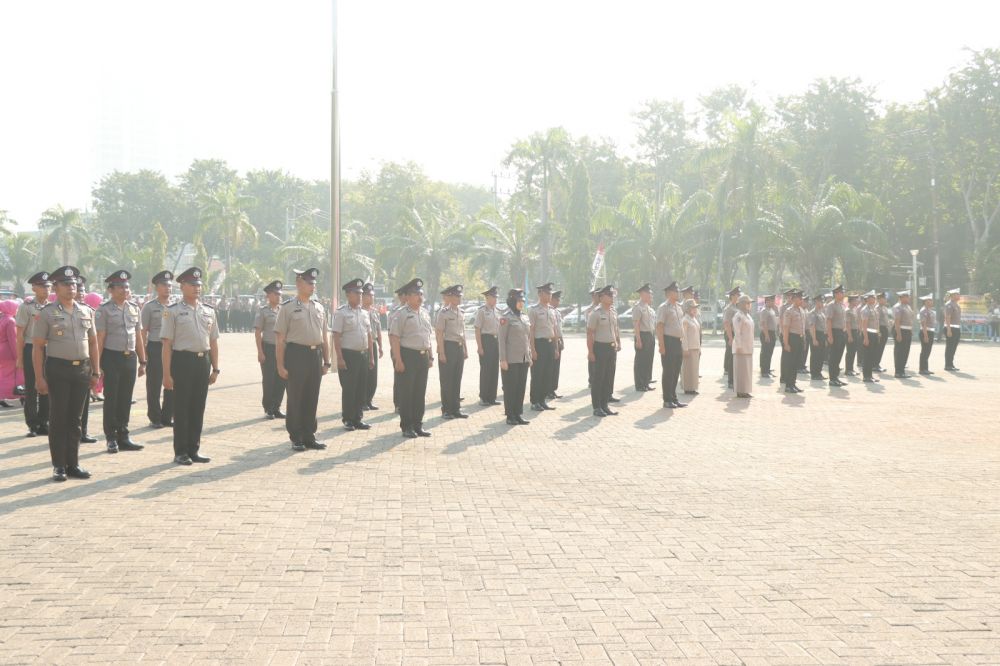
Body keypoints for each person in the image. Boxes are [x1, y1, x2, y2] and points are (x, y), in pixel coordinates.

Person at [32, 266, 98, 482]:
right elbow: (38, 346)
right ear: (56, 288)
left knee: (75, 419)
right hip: (58, 369)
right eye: (66, 284)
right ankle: (59, 465)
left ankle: (73, 463)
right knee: (58, 418)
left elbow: (94, 342)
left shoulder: (86, 311)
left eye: (74, 284)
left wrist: (96, 371)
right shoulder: (47, 313)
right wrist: (39, 378)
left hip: (82, 369)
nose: (71, 288)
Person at [161, 267, 220, 465]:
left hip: (202, 362)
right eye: (192, 284)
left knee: (197, 408)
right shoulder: (173, 311)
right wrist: (167, 374)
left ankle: (194, 449)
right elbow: (167, 345)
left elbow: (213, 342)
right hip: (182, 361)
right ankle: (181, 451)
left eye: (199, 285)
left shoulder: (208, 311)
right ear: (182, 286)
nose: (197, 288)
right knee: (182, 408)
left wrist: (215, 368)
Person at [275, 268, 330, 452]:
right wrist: (280, 365)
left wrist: (327, 361)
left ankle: (309, 435)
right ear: (299, 284)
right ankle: (296, 436)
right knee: (296, 397)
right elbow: (280, 339)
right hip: (296, 354)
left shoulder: (319, 307)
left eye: (314, 283)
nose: (313, 286)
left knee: (311, 396)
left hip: (315, 355)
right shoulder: (288, 307)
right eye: (309, 283)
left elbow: (324, 336)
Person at [95, 270, 146, 454]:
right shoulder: (104, 310)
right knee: (112, 399)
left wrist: (143, 360)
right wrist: (97, 364)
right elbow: (100, 338)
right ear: (111, 289)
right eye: (121, 287)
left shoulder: (133, 308)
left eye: (127, 286)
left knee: (125, 399)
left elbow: (138, 335)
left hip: (129, 357)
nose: (125, 290)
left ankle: (123, 436)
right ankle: (111, 437)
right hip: (111, 357)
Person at [389, 278, 434, 438]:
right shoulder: (401, 314)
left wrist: (430, 356)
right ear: (407, 297)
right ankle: (407, 426)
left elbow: (428, 336)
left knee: (419, 392)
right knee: (406, 393)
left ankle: (418, 425)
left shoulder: (425, 313)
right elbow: (395, 337)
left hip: (422, 356)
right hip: (407, 356)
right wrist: (398, 360)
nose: (420, 297)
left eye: (421, 294)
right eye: (416, 294)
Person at [333, 278, 374, 431]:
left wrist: (370, 357)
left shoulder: (364, 313)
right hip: (348, 355)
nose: (360, 296)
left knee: (361, 388)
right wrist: (340, 358)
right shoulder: (341, 313)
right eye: (357, 293)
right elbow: (336, 336)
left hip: (363, 355)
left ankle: (358, 418)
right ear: (348, 294)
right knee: (349, 389)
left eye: (361, 293)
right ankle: (348, 419)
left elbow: (369, 335)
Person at [15, 272, 51, 437]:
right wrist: (20, 357)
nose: (46, 289)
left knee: (47, 386)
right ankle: (33, 424)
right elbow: (20, 333)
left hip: (49, 350)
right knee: (31, 387)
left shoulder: (53, 307)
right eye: (43, 286)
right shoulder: (27, 306)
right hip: (30, 348)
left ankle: (44, 421)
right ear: (34, 288)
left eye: (49, 286)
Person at [498, 288, 531, 426]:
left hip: (523, 358)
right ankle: (510, 415)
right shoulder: (506, 318)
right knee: (510, 388)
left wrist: (528, 356)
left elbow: (527, 338)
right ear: (512, 301)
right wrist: (503, 359)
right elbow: (501, 340)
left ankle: (518, 414)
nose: (521, 303)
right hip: (510, 360)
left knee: (520, 387)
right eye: (518, 301)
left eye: (522, 301)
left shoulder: (524, 317)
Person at [435, 284, 468, 419]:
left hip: (459, 347)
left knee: (456, 379)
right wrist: (441, 352)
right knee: (447, 380)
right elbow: (439, 333)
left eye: (460, 296)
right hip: (448, 347)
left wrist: (465, 349)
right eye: (456, 296)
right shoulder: (443, 313)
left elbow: (463, 332)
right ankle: (447, 410)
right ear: (450, 297)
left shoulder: (461, 312)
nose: (459, 298)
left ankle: (456, 409)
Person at [255, 280, 286, 419]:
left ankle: (277, 407)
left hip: (282, 349)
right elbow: (258, 332)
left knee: (281, 379)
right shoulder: (263, 311)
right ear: (268, 295)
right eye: (275, 294)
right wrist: (260, 352)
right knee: (269, 380)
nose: (278, 296)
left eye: (280, 294)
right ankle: (268, 408)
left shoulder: (284, 311)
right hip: (268, 348)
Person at [587, 285, 619, 417]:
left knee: (608, 377)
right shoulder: (595, 313)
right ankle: (597, 407)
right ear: (601, 297)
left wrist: (617, 342)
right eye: (609, 295)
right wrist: (590, 352)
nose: (612, 298)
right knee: (598, 378)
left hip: (611, 348)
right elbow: (590, 333)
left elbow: (615, 329)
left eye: (612, 295)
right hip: (600, 348)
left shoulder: (612, 312)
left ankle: (605, 405)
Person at [528, 283, 558, 411]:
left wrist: (556, 348)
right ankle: (535, 401)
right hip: (539, 344)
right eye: (548, 293)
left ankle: (542, 400)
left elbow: (555, 329)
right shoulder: (534, 310)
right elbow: (531, 331)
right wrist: (533, 349)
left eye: (551, 293)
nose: (550, 295)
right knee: (537, 374)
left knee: (547, 374)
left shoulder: (552, 310)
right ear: (540, 294)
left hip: (550, 344)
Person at [656, 281, 686, 408]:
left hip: (678, 341)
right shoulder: (664, 307)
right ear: (669, 293)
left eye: (678, 291)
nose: (678, 293)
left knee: (675, 371)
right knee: (668, 371)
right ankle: (667, 399)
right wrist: (661, 345)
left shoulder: (678, 307)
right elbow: (660, 327)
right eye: (675, 291)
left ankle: (674, 397)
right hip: (668, 342)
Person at [473, 286, 501, 406]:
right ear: (487, 298)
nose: (495, 299)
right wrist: (480, 347)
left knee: (494, 370)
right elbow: (477, 329)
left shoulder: (497, 311)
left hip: (496, 341)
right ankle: (484, 397)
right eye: (493, 297)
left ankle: (492, 397)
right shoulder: (482, 311)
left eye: (496, 297)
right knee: (486, 369)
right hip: (486, 340)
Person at [632, 284, 656, 391]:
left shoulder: (649, 308)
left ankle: (646, 382)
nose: (651, 296)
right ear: (642, 294)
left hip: (650, 335)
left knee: (648, 360)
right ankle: (639, 384)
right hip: (642, 335)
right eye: (649, 294)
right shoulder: (638, 307)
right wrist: (638, 339)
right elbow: (636, 324)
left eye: (651, 294)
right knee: (640, 361)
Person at [362, 282, 383, 410]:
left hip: (373, 344)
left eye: (372, 295)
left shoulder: (374, 312)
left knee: (373, 374)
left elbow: (379, 330)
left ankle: (369, 399)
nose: (371, 298)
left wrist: (380, 346)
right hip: (364, 345)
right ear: (363, 296)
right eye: (369, 295)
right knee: (364, 374)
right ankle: (362, 401)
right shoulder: (360, 311)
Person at [0, 299, 24, 407]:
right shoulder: (10, 321)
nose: (17, 310)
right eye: (16, 307)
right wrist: (19, 355)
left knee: (3, 375)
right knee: (13, 376)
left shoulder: (2, 319)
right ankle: (20, 395)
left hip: (2, 350)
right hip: (9, 352)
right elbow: (13, 340)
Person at [780, 289, 804, 393]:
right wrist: (786, 343)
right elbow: (786, 327)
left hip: (800, 338)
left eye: (801, 298)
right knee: (790, 362)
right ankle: (788, 385)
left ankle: (793, 384)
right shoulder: (789, 311)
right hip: (792, 338)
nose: (801, 300)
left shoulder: (801, 310)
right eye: (799, 298)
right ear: (794, 299)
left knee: (796, 363)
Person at [732, 294, 755, 398]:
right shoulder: (738, 316)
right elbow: (737, 332)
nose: (749, 305)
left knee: (747, 370)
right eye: (747, 303)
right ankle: (740, 391)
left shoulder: (748, 316)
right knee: (741, 370)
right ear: (741, 304)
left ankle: (745, 390)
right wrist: (739, 346)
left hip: (748, 347)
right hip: (741, 348)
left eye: (750, 303)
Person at [824, 285, 848, 386]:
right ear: (836, 294)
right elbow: (828, 321)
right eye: (841, 293)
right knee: (833, 356)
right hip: (834, 332)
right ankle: (832, 379)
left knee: (839, 355)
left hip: (842, 333)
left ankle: (836, 377)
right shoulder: (831, 305)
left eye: (843, 292)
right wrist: (830, 336)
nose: (843, 294)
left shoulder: (842, 305)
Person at [680, 298, 701, 394]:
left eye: (696, 307)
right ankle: (688, 388)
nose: (695, 309)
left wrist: (699, 348)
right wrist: (685, 349)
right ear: (687, 309)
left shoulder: (694, 319)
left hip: (695, 347)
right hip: (689, 348)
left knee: (694, 370)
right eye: (693, 307)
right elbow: (683, 336)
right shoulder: (685, 320)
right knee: (688, 369)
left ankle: (693, 387)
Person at [859, 290, 881, 383]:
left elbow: (876, 322)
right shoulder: (865, 309)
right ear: (867, 299)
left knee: (872, 356)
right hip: (868, 334)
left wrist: (878, 332)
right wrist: (866, 338)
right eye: (872, 297)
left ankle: (870, 375)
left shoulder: (873, 308)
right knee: (867, 356)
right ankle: (866, 376)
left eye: (874, 297)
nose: (874, 299)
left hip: (874, 334)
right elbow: (864, 325)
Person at [892, 290, 914, 378]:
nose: (909, 298)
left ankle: (902, 371)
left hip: (907, 331)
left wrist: (911, 330)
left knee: (905, 351)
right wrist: (898, 334)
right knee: (899, 352)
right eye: (907, 296)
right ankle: (898, 372)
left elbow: (910, 319)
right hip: (901, 330)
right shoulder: (898, 307)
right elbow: (897, 321)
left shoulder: (907, 306)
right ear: (902, 298)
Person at [722, 286, 740, 388]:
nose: (739, 296)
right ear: (732, 296)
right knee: (731, 356)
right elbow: (726, 323)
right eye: (737, 295)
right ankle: (730, 381)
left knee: (734, 356)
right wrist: (730, 338)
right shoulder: (729, 308)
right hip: (730, 334)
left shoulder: (736, 307)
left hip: (735, 334)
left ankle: (733, 379)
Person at [548, 290, 565, 400]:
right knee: (549, 367)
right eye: (557, 299)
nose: (558, 301)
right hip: (550, 342)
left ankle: (553, 389)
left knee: (556, 367)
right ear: (551, 299)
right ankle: (547, 390)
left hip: (557, 341)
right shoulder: (549, 311)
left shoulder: (557, 312)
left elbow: (559, 329)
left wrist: (561, 340)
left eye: (559, 299)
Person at [808, 294, 827, 380]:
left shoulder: (821, 312)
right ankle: (814, 373)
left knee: (821, 355)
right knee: (815, 355)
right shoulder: (813, 313)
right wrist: (814, 339)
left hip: (822, 335)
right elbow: (812, 326)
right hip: (816, 335)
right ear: (816, 302)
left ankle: (818, 372)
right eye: (821, 301)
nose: (822, 303)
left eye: (823, 301)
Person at [758, 295, 777, 378]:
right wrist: (766, 335)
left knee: (769, 353)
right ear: (767, 301)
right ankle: (764, 371)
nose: (773, 302)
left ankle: (767, 369)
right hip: (767, 333)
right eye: (772, 301)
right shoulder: (764, 310)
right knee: (765, 353)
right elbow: (763, 323)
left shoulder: (771, 310)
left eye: (773, 301)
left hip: (772, 333)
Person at [943, 288, 962, 371]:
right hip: (951, 328)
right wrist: (948, 329)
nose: (959, 296)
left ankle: (951, 364)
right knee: (950, 347)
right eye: (957, 294)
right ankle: (947, 365)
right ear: (953, 296)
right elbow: (947, 317)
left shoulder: (956, 304)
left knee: (953, 347)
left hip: (956, 328)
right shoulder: (949, 304)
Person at [918, 293, 936, 375]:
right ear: (925, 301)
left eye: (931, 300)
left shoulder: (929, 310)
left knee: (928, 351)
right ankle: (922, 369)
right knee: (925, 351)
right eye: (930, 300)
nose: (931, 301)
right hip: (926, 332)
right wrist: (925, 335)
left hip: (930, 331)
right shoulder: (924, 310)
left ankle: (926, 368)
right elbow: (923, 323)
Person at [844, 293, 861, 376]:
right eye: (855, 300)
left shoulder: (854, 310)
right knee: (850, 351)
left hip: (855, 332)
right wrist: (850, 335)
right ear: (851, 301)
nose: (857, 301)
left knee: (853, 351)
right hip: (850, 332)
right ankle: (848, 369)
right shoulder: (847, 311)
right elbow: (847, 324)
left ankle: (851, 368)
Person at [875, 291, 891, 373]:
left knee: (881, 348)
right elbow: (876, 321)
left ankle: (877, 363)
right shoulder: (877, 308)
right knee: (878, 347)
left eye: (885, 298)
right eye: (883, 299)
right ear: (878, 299)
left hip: (884, 329)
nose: (885, 300)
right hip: (880, 329)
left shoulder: (884, 308)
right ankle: (875, 364)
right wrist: (878, 331)